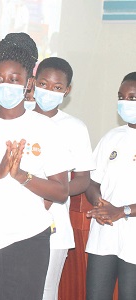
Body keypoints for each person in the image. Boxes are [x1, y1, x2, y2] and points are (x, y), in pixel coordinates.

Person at [0, 32, 70, 300]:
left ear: (28, 83)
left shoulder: (46, 128)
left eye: (13, 79)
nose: (5, 85)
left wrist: (21, 175)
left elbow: (60, 192)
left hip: (30, 237)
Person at [32, 57, 95, 300]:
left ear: (67, 91)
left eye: (57, 88)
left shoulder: (74, 127)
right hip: (12, 222)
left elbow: (83, 179)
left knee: (46, 292)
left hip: (54, 225)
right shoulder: (18, 118)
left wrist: (53, 191)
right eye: (44, 84)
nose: (49, 91)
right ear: (33, 83)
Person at [85, 72, 136, 300]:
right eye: (121, 97)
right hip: (105, 234)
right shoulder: (112, 137)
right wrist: (100, 205)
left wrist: (122, 211)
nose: (125, 103)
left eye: (132, 98)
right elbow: (91, 181)